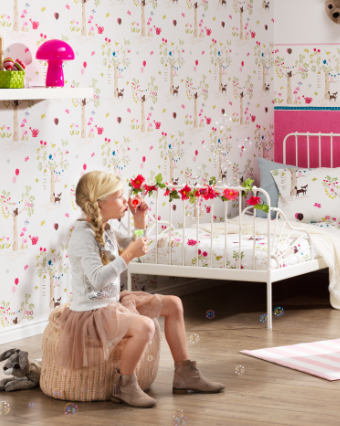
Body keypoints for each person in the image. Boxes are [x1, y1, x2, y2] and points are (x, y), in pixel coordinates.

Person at [57, 170, 224, 408]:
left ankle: (185, 374)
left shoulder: (105, 229)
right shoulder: (83, 236)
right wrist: (128, 255)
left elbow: (137, 247)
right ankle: (124, 386)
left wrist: (139, 222)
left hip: (111, 302)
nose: (125, 201)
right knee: (145, 326)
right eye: (119, 196)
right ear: (100, 203)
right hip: (92, 311)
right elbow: (97, 280)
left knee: (174, 303)